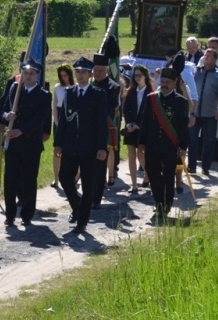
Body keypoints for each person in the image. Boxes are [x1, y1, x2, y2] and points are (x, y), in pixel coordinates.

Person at [54, 57, 108, 234]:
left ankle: (82, 221)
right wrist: (58, 143)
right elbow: (64, 120)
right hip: (70, 144)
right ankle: (77, 207)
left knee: (87, 185)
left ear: (90, 74)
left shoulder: (98, 94)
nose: (80, 75)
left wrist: (102, 147)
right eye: (77, 72)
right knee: (64, 177)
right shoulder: (69, 92)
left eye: (84, 72)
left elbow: (101, 123)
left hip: (90, 147)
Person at [0, 59, 52, 226]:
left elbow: (39, 119)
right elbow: (3, 109)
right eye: (25, 73)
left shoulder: (44, 95)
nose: (28, 76)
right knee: (10, 179)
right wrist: (6, 116)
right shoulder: (15, 89)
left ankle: (27, 215)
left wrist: (21, 131)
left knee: (29, 179)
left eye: (31, 73)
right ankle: (10, 215)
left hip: (31, 143)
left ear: (37, 75)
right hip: (12, 142)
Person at [137, 58, 190, 218]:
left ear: (175, 83)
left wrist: (183, 146)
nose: (165, 84)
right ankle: (158, 202)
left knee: (168, 176)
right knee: (153, 174)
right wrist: (141, 141)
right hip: (152, 144)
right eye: (163, 81)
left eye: (168, 82)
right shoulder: (151, 98)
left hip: (169, 145)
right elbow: (145, 121)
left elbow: (182, 126)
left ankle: (166, 205)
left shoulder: (181, 102)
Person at [189, 49, 218, 176]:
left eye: (209, 55)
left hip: (210, 115)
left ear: (215, 59)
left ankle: (206, 167)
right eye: (205, 54)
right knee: (192, 140)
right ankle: (192, 167)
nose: (205, 56)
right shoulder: (195, 71)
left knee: (209, 142)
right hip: (195, 113)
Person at [91, 53, 121, 200]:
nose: (97, 73)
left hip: (104, 126)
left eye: (100, 71)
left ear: (107, 71)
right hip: (88, 127)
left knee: (102, 157)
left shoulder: (113, 87)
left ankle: (99, 188)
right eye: (95, 70)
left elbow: (110, 109)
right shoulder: (89, 84)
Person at [122, 65, 155, 194]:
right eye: (135, 75)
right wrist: (129, 124)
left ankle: (149, 175)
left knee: (142, 155)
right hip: (131, 128)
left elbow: (151, 113)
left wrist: (139, 125)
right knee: (131, 155)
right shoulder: (131, 91)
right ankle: (134, 185)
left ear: (145, 76)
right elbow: (126, 110)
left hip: (144, 129)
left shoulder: (151, 92)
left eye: (140, 75)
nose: (137, 78)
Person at [50, 64, 74, 188]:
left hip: (71, 119)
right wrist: (56, 122)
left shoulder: (74, 88)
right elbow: (54, 106)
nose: (64, 78)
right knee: (57, 149)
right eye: (61, 76)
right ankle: (56, 178)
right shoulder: (57, 88)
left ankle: (71, 176)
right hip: (59, 119)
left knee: (71, 150)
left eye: (65, 75)